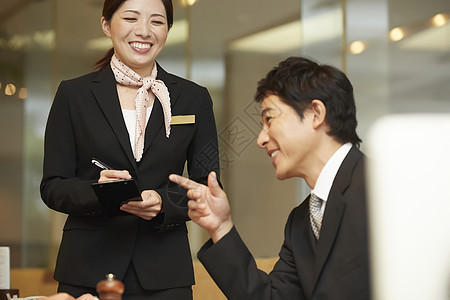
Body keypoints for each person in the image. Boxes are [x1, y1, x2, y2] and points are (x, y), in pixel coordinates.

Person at [40, 0, 220, 299]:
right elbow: (52, 186)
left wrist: (162, 201)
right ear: (106, 25)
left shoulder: (194, 98)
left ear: (168, 29)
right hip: (87, 270)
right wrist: (97, 191)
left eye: (157, 22)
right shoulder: (74, 95)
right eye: (131, 18)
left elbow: (208, 187)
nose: (144, 31)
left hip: (165, 273)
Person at [170, 56, 370, 299]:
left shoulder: (381, 189)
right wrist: (221, 227)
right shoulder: (301, 221)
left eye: (269, 119)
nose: (260, 139)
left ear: (316, 113)